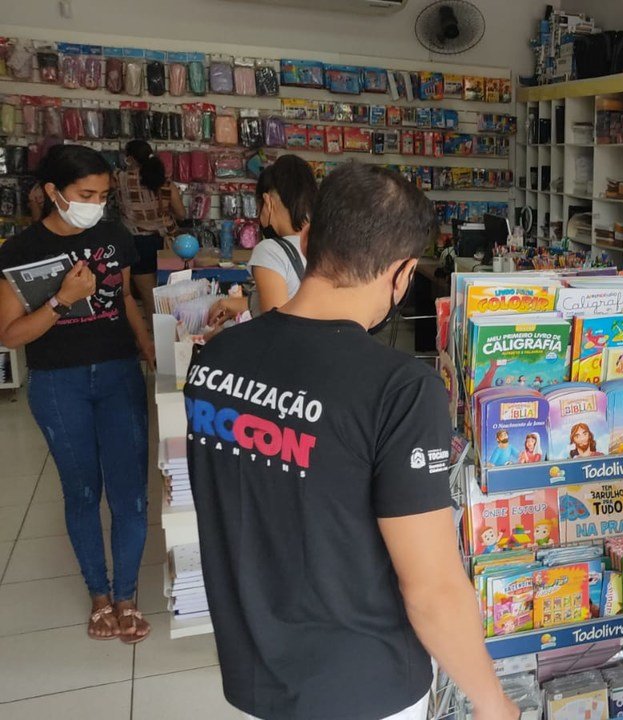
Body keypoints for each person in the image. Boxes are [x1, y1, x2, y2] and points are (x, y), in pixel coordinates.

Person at [183, 164, 516, 720]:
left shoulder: (216, 359)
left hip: (256, 674)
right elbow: (432, 588)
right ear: (403, 273)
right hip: (367, 686)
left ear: (307, 240)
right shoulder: (399, 389)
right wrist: (493, 703)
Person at [0, 144, 155, 644]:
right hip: (57, 383)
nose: (96, 205)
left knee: (130, 494)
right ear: (53, 191)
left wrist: (148, 347)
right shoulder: (20, 251)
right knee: (83, 491)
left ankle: (126, 595)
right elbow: (10, 335)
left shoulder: (113, 236)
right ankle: (99, 595)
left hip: (119, 375)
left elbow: (125, 298)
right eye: (85, 195)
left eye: (103, 195)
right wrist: (63, 301)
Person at [207, 155, 317, 325]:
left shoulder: (270, 251)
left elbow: (273, 326)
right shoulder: (326, 244)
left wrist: (224, 335)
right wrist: (239, 304)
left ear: (267, 201)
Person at [117, 140, 186, 323]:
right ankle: (175, 332)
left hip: (137, 243)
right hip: (167, 243)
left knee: (149, 297)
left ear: (130, 159)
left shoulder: (120, 180)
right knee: (171, 294)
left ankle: (156, 335)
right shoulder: (165, 182)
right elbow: (181, 214)